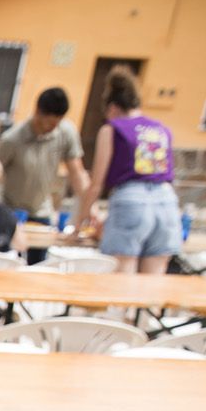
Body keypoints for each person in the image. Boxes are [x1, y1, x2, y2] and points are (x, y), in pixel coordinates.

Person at [77, 66, 181, 274]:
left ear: (112, 107)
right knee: (151, 282)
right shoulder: (161, 129)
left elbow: (96, 184)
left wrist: (81, 221)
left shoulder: (112, 129)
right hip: (167, 201)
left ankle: (123, 309)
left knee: (122, 278)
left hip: (131, 199)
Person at [0, 87, 90, 223]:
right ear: (38, 112)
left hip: (43, 212)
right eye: (51, 123)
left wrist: (90, 206)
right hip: (11, 211)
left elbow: (77, 173)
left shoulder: (66, 132)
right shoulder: (12, 139)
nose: (54, 127)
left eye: (59, 122)